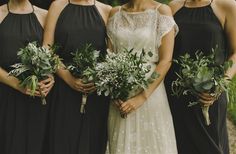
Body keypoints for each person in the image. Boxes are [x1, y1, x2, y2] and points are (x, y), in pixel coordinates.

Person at [106, 0, 178, 153]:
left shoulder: (161, 12)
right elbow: (109, 57)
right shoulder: (115, 13)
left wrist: (141, 97)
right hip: (120, 99)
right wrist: (114, 92)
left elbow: (166, 60)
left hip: (151, 95)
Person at [165, 0, 236, 154]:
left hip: (209, 95)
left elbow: (235, 53)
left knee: (212, 146)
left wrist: (220, 85)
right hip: (177, 94)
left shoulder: (227, 6)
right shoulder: (173, 7)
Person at [42, 0, 111, 153]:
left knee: (93, 143)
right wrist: (68, 77)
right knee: (62, 141)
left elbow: (111, 53)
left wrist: (99, 77)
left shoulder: (106, 10)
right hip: (63, 88)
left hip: (96, 92)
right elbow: (47, 48)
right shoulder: (57, 6)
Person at [0, 0, 54, 154]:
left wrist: (51, 76)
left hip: (37, 98)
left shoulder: (45, 15)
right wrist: (18, 84)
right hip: (5, 97)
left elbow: (51, 54)